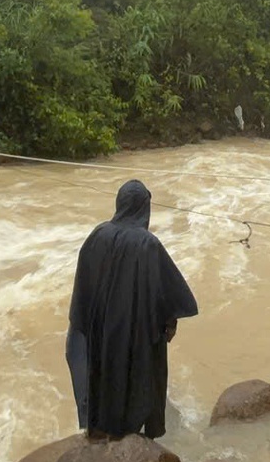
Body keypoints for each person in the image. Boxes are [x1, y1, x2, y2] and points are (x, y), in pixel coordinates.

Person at [66, 179, 198, 438]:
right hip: (130, 332)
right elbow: (171, 294)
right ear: (144, 209)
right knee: (132, 378)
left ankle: (98, 428)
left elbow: (83, 287)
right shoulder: (147, 243)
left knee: (101, 373)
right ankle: (128, 433)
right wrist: (169, 322)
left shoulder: (96, 235)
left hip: (99, 328)